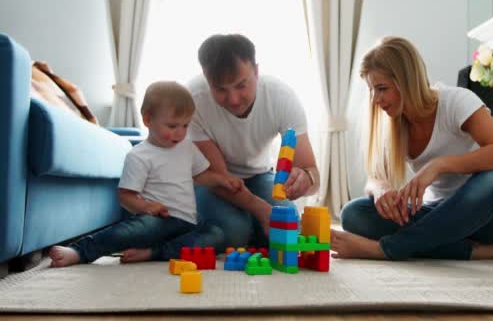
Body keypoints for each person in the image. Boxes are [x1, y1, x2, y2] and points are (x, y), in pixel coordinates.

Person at [331, 36, 493, 265]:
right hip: (436, 218)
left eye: (382, 88)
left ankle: (386, 249)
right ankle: (481, 252)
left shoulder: (455, 102)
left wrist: (440, 165)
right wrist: (381, 189)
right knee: (353, 214)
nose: (376, 99)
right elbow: (375, 177)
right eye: (371, 90)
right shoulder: (394, 123)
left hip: (486, 219)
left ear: (406, 80)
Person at [49, 81, 242, 267]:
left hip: (188, 223)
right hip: (157, 221)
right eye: (172, 126)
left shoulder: (187, 148)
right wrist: (147, 207)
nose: (180, 133)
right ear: (148, 119)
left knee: (217, 234)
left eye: (185, 126)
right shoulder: (139, 155)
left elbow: (200, 176)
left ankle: (154, 253)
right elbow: (125, 196)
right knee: (125, 232)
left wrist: (222, 179)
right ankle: (80, 251)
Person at [186, 34, 320, 248]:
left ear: (256, 71)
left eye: (241, 85)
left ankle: (251, 228)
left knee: (287, 220)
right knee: (235, 233)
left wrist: (307, 178)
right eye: (221, 89)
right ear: (206, 77)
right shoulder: (192, 100)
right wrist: (260, 209)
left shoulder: (281, 97)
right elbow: (220, 178)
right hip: (211, 181)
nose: (233, 99)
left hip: (259, 174)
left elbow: (313, 173)